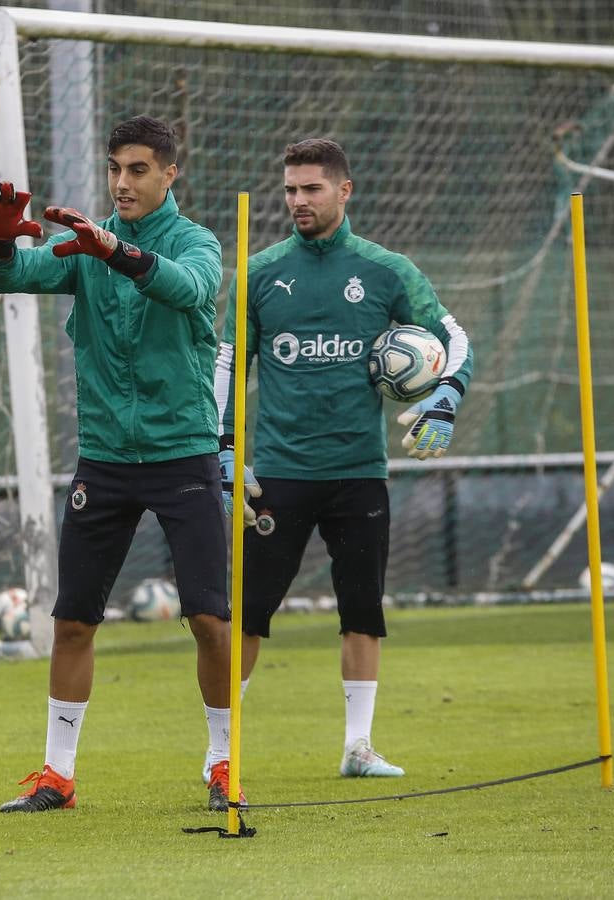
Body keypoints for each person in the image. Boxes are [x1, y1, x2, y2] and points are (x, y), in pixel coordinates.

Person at [0, 115, 242, 813]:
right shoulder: (84, 241)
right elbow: (12, 276)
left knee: (210, 621)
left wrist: (115, 251)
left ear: (170, 173)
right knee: (72, 621)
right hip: (106, 459)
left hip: (184, 452)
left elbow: (189, 288)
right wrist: (1, 238)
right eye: (115, 168)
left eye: (139, 169)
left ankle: (222, 764)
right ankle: (57, 777)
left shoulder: (195, 241)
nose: (122, 181)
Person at [213, 137, 473, 780]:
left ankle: (358, 748)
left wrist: (446, 396)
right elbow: (224, 365)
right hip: (276, 471)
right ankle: (223, 754)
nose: (298, 201)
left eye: (311, 189)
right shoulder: (260, 272)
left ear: (344, 190)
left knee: (363, 608)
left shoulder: (388, 271)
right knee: (247, 613)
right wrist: (220, 448)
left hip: (360, 471)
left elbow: (456, 341)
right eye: (290, 190)